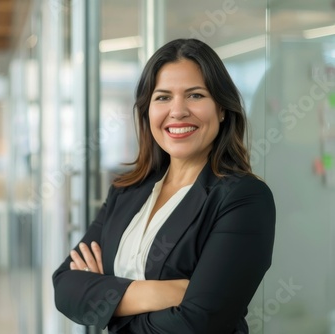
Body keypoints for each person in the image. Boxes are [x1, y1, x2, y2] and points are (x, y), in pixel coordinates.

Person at [52, 38, 276, 333]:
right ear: (147, 111)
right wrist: (168, 293)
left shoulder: (243, 198)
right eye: (163, 97)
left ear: (222, 109)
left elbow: (198, 322)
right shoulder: (126, 190)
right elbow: (65, 285)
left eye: (195, 95)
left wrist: (105, 300)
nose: (178, 111)